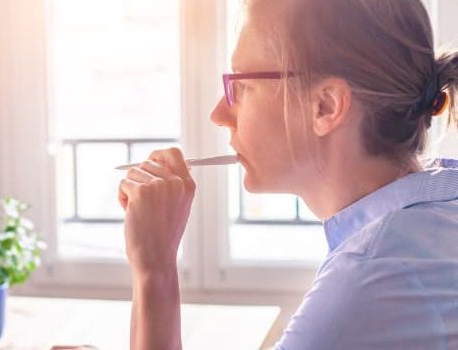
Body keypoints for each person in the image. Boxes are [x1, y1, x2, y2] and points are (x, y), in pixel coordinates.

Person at [117, 0, 458, 349]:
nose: (219, 114)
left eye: (242, 86)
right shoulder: (437, 213)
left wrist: (154, 270)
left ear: (325, 106)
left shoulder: (370, 279)